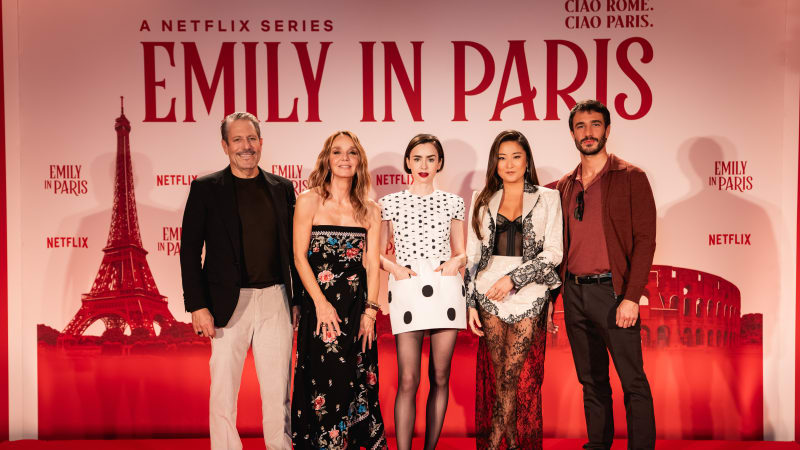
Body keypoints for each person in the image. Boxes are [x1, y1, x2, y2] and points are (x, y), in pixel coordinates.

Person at [180, 112, 299, 450]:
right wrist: (198, 306)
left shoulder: (283, 188)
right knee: (223, 390)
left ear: (261, 143)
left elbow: (293, 251)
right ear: (224, 146)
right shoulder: (205, 189)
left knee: (278, 392)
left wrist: (297, 301)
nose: (246, 147)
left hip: (275, 299)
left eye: (251, 139)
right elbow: (190, 251)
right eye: (237, 140)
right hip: (225, 303)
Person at [555, 99, 656, 450]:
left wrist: (631, 296)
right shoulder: (563, 186)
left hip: (613, 294)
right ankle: (598, 444)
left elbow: (645, 241)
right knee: (592, 381)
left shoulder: (631, 178)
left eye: (595, 124)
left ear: (608, 130)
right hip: (574, 294)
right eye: (580, 126)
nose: (588, 132)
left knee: (632, 381)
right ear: (572, 133)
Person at [465, 130, 563, 450]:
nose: (509, 164)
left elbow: (553, 253)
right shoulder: (482, 197)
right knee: (499, 375)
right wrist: (469, 303)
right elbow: (473, 255)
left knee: (513, 375)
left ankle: (498, 442)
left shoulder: (548, 197)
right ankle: (510, 444)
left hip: (529, 290)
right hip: (488, 290)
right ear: (495, 163)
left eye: (516, 157)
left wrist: (515, 279)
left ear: (527, 160)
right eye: (502, 157)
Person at [291, 131, 388, 449]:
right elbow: (299, 258)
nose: (345, 158)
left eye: (352, 152)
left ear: (359, 160)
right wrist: (320, 303)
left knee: (355, 387)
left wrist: (370, 313)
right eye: (337, 152)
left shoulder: (370, 209)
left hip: (357, 312)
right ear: (327, 159)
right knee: (324, 389)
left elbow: (373, 264)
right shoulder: (309, 200)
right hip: (321, 314)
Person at [378, 134, 467, 450]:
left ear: (440, 163)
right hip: (408, 288)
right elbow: (376, 254)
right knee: (408, 380)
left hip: (445, 289)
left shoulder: (453, 201)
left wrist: (456, 263)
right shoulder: (389, 203)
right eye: (417, 158)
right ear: (407, 162)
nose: (424, 165)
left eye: (431, 158)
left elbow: (462, 251)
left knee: (440, 377)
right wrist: (395, 270)